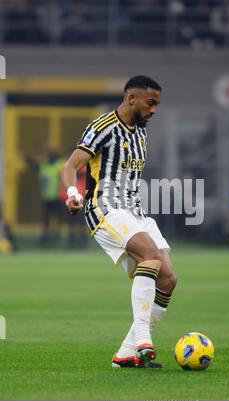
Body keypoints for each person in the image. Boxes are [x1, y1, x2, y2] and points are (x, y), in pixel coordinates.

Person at [62, 75, 177, 368]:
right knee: (149, 257)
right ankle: (143, 341)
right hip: (105, 208)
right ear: (132, 99)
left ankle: (125, 354)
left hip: (135, 212)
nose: (154, 111)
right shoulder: (102, 128)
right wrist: (73, 193)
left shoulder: (140, 132)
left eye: (157, 106)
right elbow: (71, 165)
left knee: (167, 278)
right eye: (151, 104)